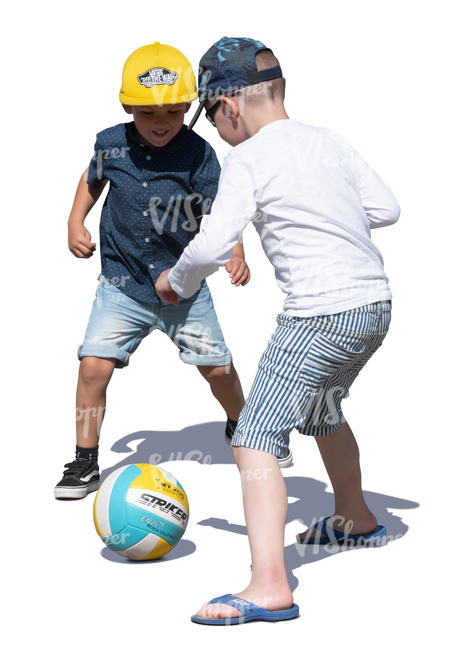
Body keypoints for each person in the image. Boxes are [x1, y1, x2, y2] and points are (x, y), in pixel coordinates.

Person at [155, 37, 400, 625]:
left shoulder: (250, 158)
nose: (215, 129)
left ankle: (269, 585)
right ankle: (355, 515)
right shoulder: (328, 140)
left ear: (230, 107)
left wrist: (177, 281)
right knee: (321, 408)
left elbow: (213, 242)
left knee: (254, 437)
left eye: (211, 117)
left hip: (319, 313)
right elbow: (387, 209)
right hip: (375, 306)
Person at [55, 41, 264, 499]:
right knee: (93, 367)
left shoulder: (198, 155)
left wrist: (235, 251)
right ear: (128, 106)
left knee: (219, 371)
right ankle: (84, 461)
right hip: (122, 284)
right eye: (149, 114)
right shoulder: (110, 143)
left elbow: (221, 208)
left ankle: (245, 429)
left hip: (183, 286)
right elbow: (91, 182)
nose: (162, 123)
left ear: (189, 105)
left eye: (173, 111)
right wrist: (76, 220)